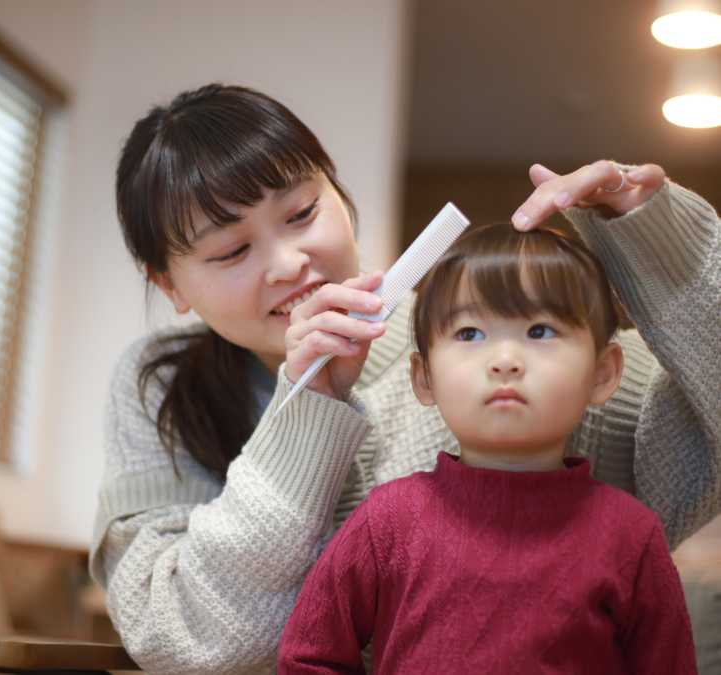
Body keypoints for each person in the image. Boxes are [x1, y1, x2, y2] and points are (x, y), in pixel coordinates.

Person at [89, 83, 720, 674]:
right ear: (167, 283)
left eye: (303, 212)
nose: (290, 263)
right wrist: (308, 410)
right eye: (230, 251)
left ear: (339, 194)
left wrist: (664, 249)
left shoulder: (473, 349)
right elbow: (186, 639)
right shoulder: (159, 384)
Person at [276, 223, 698, 673]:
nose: (504, 360)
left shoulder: (630, 535)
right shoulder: (388, 522)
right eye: (471, 334)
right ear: (424, 378)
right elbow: (308, 657)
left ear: (603, 373)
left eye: (540, 331)